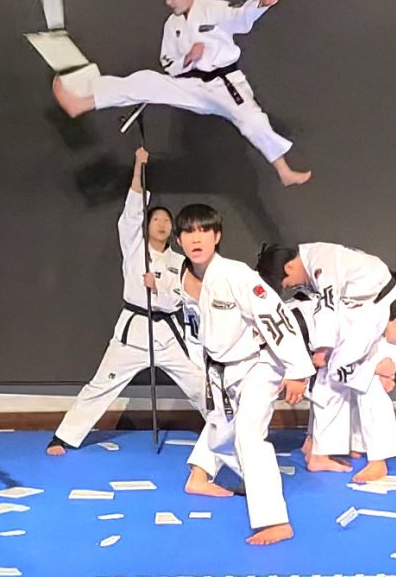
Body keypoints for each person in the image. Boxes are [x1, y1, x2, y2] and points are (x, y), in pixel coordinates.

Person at [51, 0, 310, 187]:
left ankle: (284, 171)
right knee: (146, 80)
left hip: (225, 84)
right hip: (193, 85)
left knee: (252, 121)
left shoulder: (214, 10)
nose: (168, 2)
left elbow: (239, 17)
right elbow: (169, 63)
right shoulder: (172, 25)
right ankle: (81, 103)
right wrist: (188, 59)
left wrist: (260, 4)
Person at [47, 147, 208, 465]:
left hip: (169, 333)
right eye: (156, 219)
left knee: (200, 383)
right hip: (134, 331)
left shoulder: (180, 262)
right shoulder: (134, 248)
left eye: (167, 221)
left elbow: (182, 297)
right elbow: (133, 211)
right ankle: (65, 435)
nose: (161, 224)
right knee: (102, 383)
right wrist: (138, 167)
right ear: (146, 225)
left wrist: (158, 288)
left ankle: (228, 429)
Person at [176, 204, 314, 545]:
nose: (196, 239)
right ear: (179, 241)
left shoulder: (236, 275)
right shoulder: (187, 276)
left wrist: (297, 370)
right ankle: (199, 476)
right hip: (220, 369)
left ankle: (274, 520)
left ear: (217, 236)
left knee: (249, 435)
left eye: (204, 231)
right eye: (188, 232)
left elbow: (276, 317)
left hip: (259, 364)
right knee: (219, 429)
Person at [256, 242, 396, 481]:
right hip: (349, 323)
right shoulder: (319, 262)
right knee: (335, 384)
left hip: (370, 318)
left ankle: (376, 459)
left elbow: (328, 306)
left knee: (366, 385)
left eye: (286, 283)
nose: (290, 286)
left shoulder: (321, 260)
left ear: (289, 267)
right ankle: (321, 447)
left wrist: (323, 350)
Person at [307, 296, 396, 481]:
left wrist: (387, 376)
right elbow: (338, 370)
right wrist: (374, 370)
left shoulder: (387, 321)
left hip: (334, 358)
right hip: (313, 350)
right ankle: (377, 461)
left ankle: (351, 445)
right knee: (367, 392)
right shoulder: (366, 326)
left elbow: (389, 357)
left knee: (364, 386)